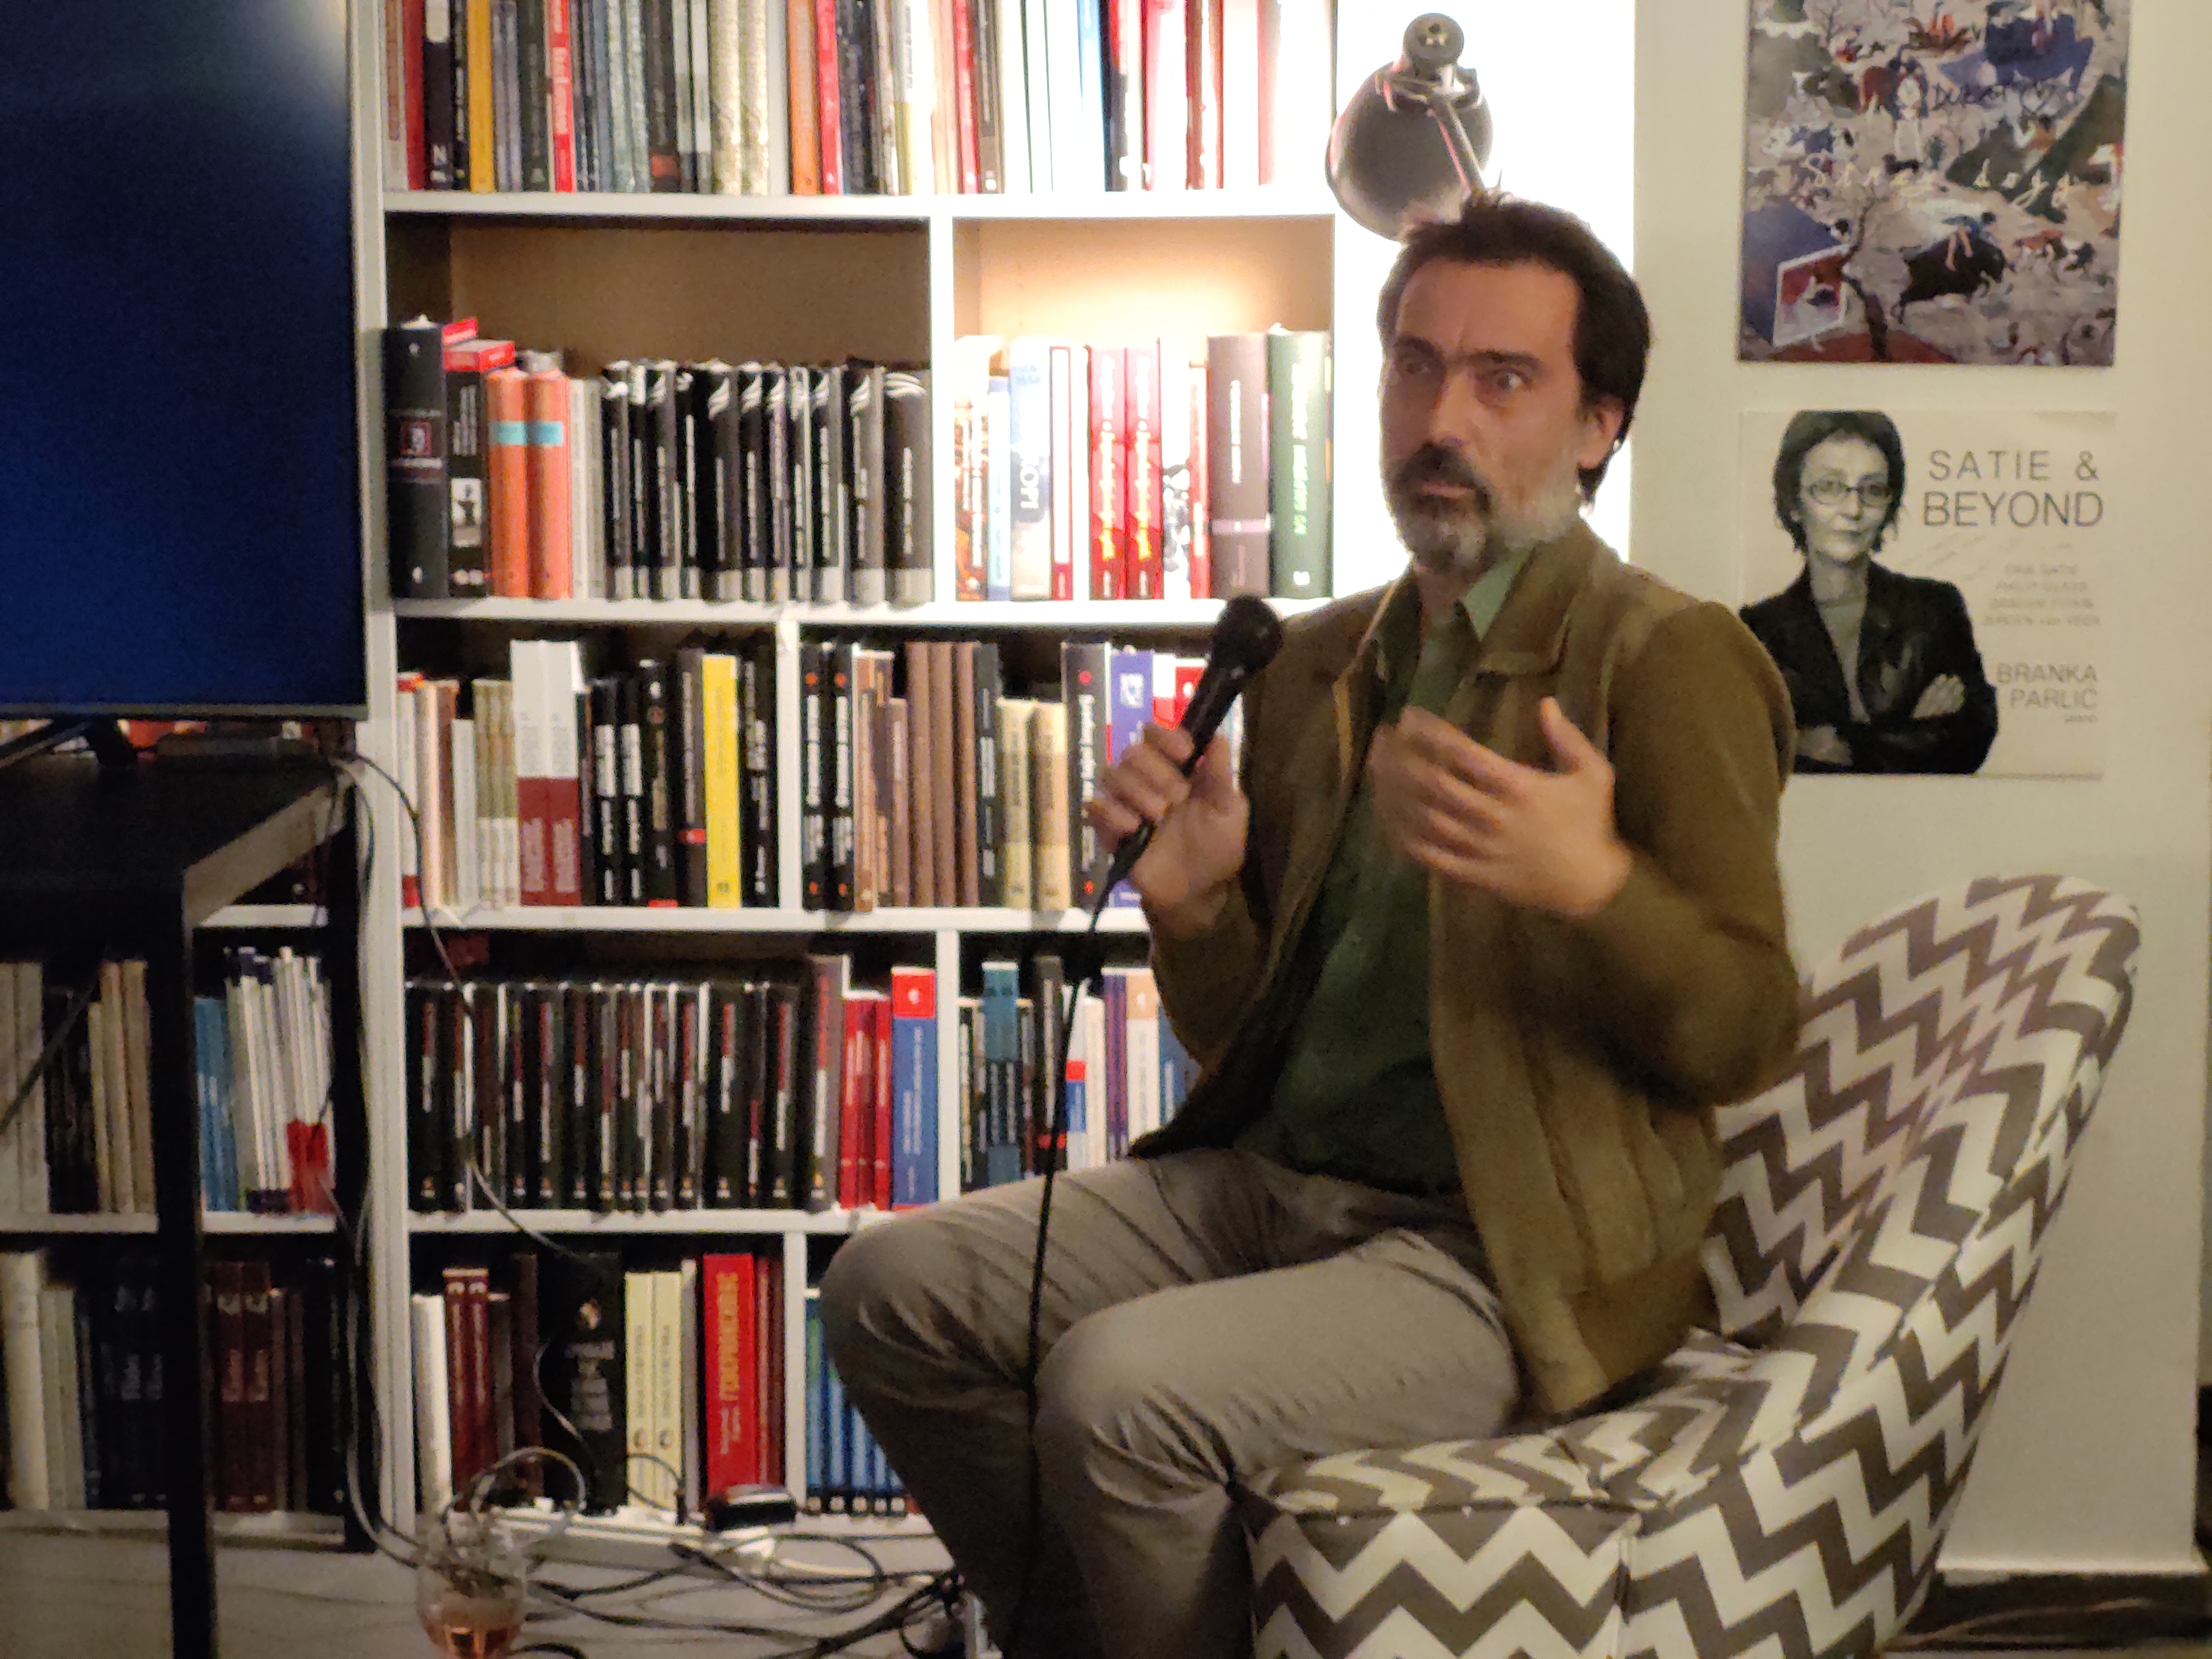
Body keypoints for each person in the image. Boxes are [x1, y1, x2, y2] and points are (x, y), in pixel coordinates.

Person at [819, 197, 1802, 1659]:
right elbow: (1244, 1042)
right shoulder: (1319, 662)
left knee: (1116, 1394)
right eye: (1415, 366)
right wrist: (1197, 903)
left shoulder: (1668, 659)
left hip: (1502, 1252)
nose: (1440, 417)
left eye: (1502, 378)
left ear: (1599, 426)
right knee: (888, 1292)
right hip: (1272, 1191)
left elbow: (1747, 1030)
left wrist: (1594, 888)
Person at [1740, 409, 1998, 774]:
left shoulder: (1935, 610)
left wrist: (1837, 745)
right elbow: (1754, 751)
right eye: (1830, 487)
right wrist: (1911, 733)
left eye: (1873, 490)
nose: (1853, 509)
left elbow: (1970, 741)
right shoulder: (1759, 631)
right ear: (1795, 503)